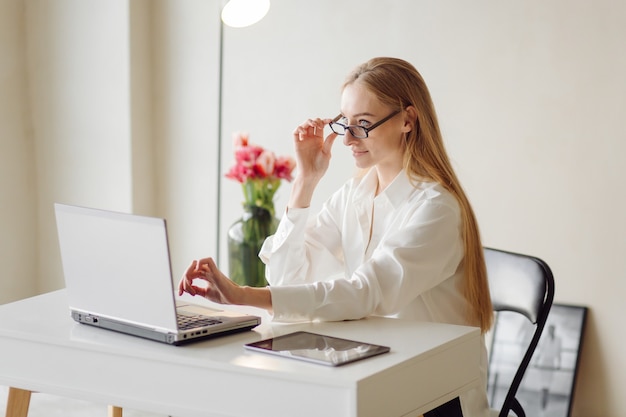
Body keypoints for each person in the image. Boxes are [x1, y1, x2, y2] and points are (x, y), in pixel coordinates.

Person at [179, 57, 493, 417]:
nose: (346, 139)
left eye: (363, 125)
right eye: (345, 123)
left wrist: (244, 296)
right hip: (376, 371)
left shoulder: (436, 208)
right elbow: (285, 276)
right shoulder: (357, 193)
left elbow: (367, 292)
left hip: (435, 397)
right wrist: (305, 182)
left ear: (408, 120)